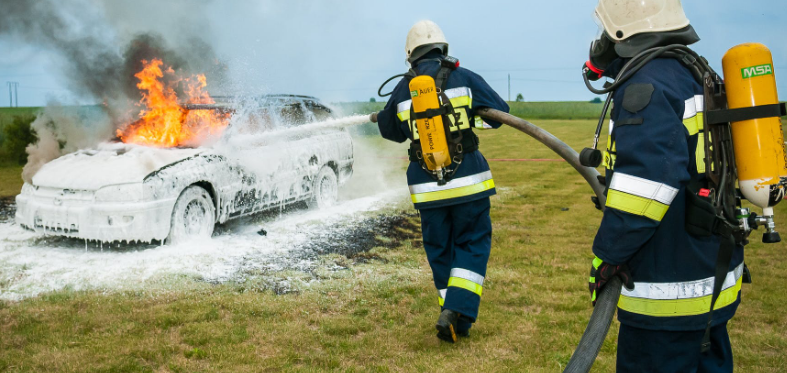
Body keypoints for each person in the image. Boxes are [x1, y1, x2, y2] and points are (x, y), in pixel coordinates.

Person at [583, 1, 744, 372]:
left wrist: (607, 256)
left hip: (668, 287)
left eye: (605, 31)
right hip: (710, 277)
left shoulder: (645, 83)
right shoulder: (691, 70)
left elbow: (644, 187)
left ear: (621, 31)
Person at [372, 20, 509, 343]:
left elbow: (390, 131)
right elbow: (499, 113)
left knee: (440, 251)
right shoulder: (463, 78)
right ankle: (456, 313)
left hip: (427, 189)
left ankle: (455, 323)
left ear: (411, 56)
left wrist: (393, 115)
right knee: (472, 244)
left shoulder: (404, 87)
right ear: (442, 49)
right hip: (468, 183)